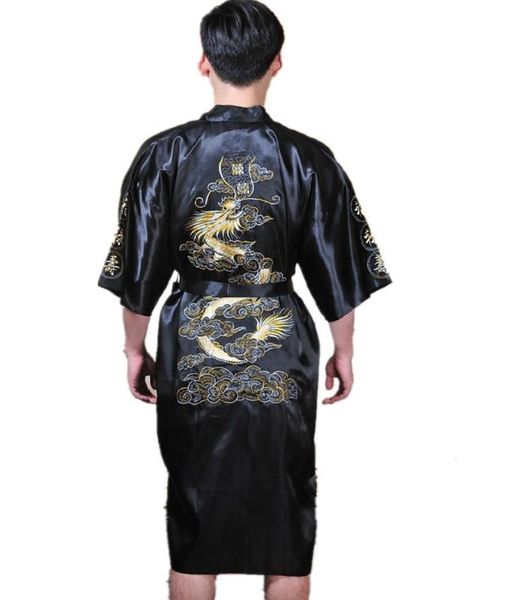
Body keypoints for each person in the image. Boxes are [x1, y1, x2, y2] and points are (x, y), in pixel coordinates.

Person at [97, 1, 393, 598]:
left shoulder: (163, 154)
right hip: (281, 347)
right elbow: (338, 269)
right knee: (286, 510)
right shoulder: (308, 158)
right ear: (277, 62)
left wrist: (133, 348)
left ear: (204, 61)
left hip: (191, 345)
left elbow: (138, 272)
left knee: (194, 509)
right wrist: (344, 351)